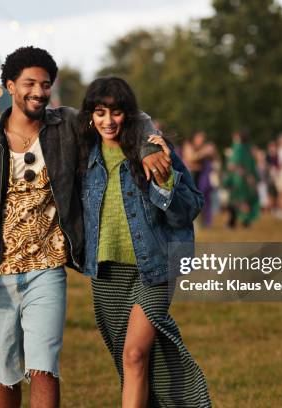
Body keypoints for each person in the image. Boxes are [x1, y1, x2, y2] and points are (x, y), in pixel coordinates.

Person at [0, 47, 169, 408]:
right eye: (29, 83)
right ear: (10, 86)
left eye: (45, 84)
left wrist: (146, 147)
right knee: (4, 370)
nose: (38, 91)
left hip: (46, 271)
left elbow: (127, 115)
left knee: (44, 366)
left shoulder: (65, 126)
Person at [77, 77, 211, 407]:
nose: (108, 121)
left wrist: (165, 181)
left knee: (135, 354)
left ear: (129, 114)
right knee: (133, 361)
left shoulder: (152, 149)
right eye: (100, 112)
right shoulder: (83, 155)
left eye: (117, 112)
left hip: (155, 266)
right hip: (107, 273)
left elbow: (188, 209)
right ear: (91, 116)